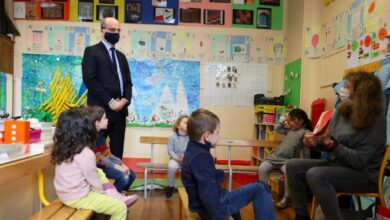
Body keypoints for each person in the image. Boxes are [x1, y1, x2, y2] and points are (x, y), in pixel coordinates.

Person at [286, 71, 386, 220]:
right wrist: (315, 142)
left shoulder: (376, 120)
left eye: (348, 87)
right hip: (337, 164)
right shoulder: (341, 111)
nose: (343, 90)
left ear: (361, 93)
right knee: (293, 166)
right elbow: (329, 141)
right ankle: (301, 216)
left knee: (316, 174)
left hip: (363, 175)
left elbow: (359, 161)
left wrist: (332, 145)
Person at [181, 108, 275, 220]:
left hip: (205, 204)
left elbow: (208, 188)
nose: (219, 137)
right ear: (206, 136)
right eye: (217, 133)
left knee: (258, 187)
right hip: (211, 208)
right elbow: (208, 194)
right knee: (261, 188)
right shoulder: (201, 157)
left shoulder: (193, 150)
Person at [51, 108, 133, 220]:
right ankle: (113, 194)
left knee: (98, 171)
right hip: (78, 197)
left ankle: (114, 193)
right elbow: (93, 180)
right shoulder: (85, 153)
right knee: (120, 208)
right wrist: (101, 192)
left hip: (64, 194)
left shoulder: (63, 148)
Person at [82, 17, 132, 159]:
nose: (116, 33)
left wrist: (125, 100)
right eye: (112, 30)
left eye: (118, 30)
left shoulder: (121, 57)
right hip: (100, 112)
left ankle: (117, 181)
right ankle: (98, 181)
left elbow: (129, 83)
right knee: (96, 152)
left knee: (117, 154)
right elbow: (90, 80)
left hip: (120, 111)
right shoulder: (92, 51)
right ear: (103, 30)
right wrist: (111, 101)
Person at [258, 108, 313, 209]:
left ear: (301, 121)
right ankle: (266, 195)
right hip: (274, 157)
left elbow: (306, 150)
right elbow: (278, 129)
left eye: (292, 120)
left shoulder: (305, 132)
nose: (290, 122)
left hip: (287, 161)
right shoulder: (290, 130)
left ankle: (286, 198)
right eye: (290, 120)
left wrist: (306, 164)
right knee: (262, 169)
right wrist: (284, 120)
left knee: (289, 173)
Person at [87, 105, 137, 193]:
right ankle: (113, 198)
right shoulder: (90, 139)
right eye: (105, 118)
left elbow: (107, 154)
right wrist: (116, 166)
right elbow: (99, 161)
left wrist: (121, 164)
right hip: (99, 168)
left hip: (106, 165)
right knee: (124, 177)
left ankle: (121, 195)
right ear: (97, 123)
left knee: (131, 174)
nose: (107, 120)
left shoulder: (101, 135)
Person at [166, 115, 189, 199]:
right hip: (175, 159)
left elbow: (191, 149)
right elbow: (170, 150)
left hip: (186, 159)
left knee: (188, 169)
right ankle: (170, 186)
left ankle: (187, 187)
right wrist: (176, 158)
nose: (188, 124)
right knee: (171, 167)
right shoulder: (173, 137)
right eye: (186, 123)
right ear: (178, 125)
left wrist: (185, 157)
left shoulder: (190, 137)